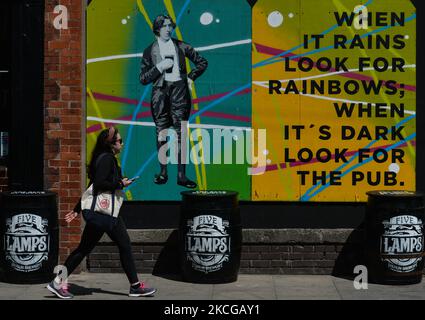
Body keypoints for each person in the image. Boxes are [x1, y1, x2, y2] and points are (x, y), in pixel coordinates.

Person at [46, 126, 156, 299]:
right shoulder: (107, 159)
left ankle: (57, 282)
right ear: (111, 144)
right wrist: (121, 184)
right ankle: (135, 287)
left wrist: (77, 209)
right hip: (105, 212)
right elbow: (98, 184)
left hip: (102, 212)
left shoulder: (103, 158)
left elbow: (91, 189)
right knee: (124, 245)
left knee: (84, 249)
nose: (122, 143)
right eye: (120, 141)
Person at [140, 14, 208, 189]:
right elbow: (143, 78)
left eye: (171, 25)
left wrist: (191, 77)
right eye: (165, 26)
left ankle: (181, 175)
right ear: (157, 28)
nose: (169, 29)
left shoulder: (181, 46)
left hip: (179, 92)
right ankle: (163, 172)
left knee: (181, 134)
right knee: (161, 134)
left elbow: (202, 62)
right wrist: (159, 67)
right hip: (160, 95)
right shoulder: (149, 51)